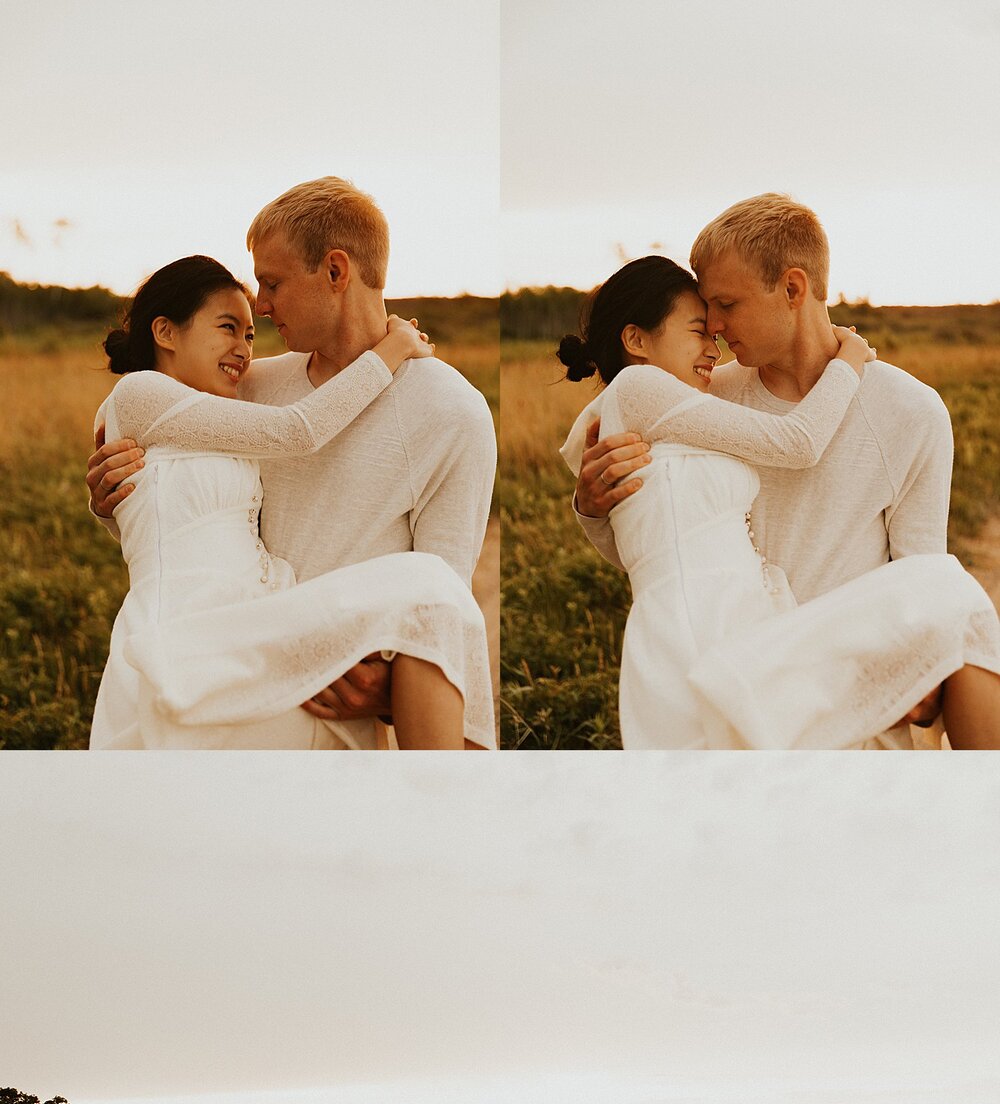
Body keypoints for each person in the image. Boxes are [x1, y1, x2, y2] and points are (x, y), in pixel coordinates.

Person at [87, 176, 496, 748]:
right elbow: (180, 509)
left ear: (335, 271)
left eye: (271, 281)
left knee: (434, 591)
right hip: (236, 649)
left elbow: (444, 595)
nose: (260, 303)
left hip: (338, 697)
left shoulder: (454, 412)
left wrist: (386, 690)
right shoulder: (239, 385)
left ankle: (465, 813)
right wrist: (110, 501)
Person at [572, 194, 982, 748]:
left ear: (792, 289)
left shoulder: (912, 412)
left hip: (850, 692)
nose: (713, 327)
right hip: (737, 662)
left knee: (950, 596)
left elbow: (917, 570)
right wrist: (593, 507)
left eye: (726, 304)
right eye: (704, 313)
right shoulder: (701, 393)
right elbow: (658, 541)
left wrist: (924, 675)